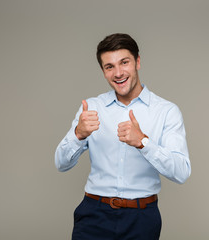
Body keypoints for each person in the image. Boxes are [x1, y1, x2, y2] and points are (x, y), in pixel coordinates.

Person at [55, 33, 191, 240]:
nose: (118, 73)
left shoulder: (166, 111)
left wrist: (144, 143)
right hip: (93, 215)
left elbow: (181, 172)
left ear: (137, 62)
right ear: (103, 71)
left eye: (124, 62)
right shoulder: (92, 107)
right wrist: (78, 135)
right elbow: (61, 164)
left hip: (142, 218)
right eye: (109, 66)